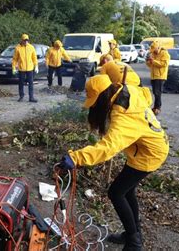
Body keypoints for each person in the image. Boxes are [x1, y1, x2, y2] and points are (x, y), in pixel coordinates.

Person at [58, 74, 169, 251]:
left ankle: (134, 243)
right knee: (127, 191)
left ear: (102, 98)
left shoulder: (123, 116)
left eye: (95, 103)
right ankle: (133, 233)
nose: (93, 107)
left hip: (149, 155)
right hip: (149, 148)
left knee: (116, 193)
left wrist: (77, 157)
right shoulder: (126, 90)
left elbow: (108, 148)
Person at [12, 34, 39, 103]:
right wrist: (14, 68)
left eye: (27, 40)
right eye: (24, 40)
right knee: (21, 83)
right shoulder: (18, 48)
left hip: (30, 69)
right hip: (21, 69)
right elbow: (15, 59)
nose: (26, 42)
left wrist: (36, 66)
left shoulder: (31, 47)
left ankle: (31, 97)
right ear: (22, 40)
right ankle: (21, 96)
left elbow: (34, 58)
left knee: (31, 83)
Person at [145, 41, 170, 115]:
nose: (153, 52)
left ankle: (158, 107)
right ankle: (155, 107)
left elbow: (164, 64)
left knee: (157, 92)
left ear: (158, 48)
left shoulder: (164, 53)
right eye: (152, 50)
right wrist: (148, 61)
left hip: (160, 76)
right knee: (155, 92)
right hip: (153, 75)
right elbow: (150, 65)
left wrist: (153, 61)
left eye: (154, 50)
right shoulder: (152, 53)